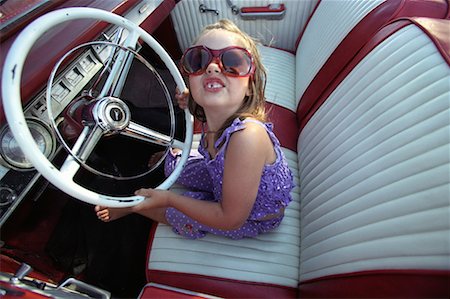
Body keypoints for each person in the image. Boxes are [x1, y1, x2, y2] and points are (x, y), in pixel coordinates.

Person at [95, 19, 294, 239]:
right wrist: (193, 99)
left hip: (250, 216)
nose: (212, 66)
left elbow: (230, 219)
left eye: (232, 62)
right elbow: (203, 97)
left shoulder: (248, 137)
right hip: (224, 174)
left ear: (250, 87)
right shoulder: (213, 112)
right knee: (174, 164)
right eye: (198, 60)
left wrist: (170, 199)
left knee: (179, 212)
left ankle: (133, 207)